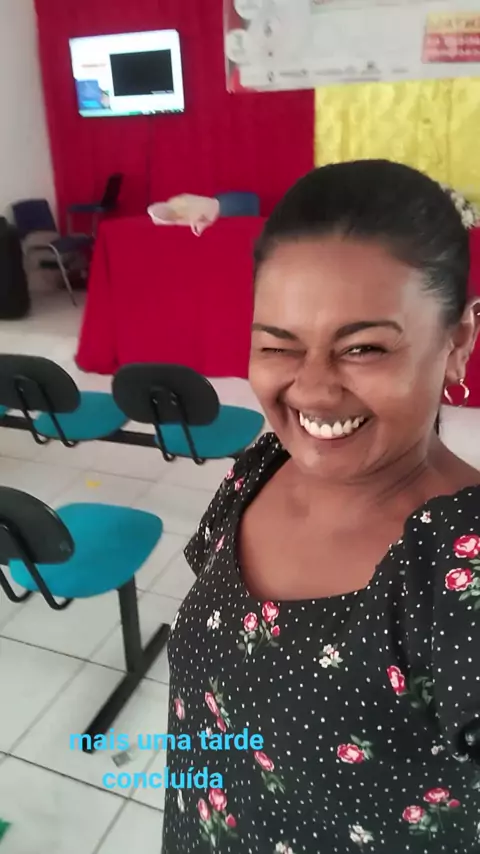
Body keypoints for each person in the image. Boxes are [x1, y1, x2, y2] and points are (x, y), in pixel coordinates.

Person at [162, 160, 480, 853]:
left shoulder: (460, 571)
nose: (311, 390)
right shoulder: (261, 468)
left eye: (362, 348)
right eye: (277, 345)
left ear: (457, 343)